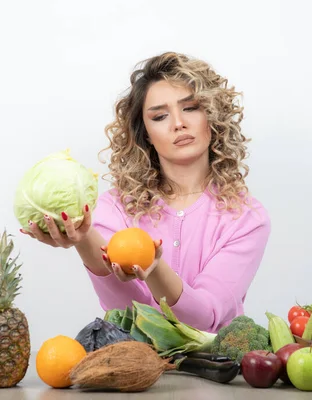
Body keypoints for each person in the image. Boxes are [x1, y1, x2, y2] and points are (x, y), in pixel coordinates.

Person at [21, 51, 271, 333]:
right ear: (146, 134)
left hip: (212, 372)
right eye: (160, 116)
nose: (178, 123)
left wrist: (154, 267)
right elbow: (126, 315)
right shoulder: (114, 207)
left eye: (190, 108)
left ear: (212, 117)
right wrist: (83, 239)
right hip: (136, 370)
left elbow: (205, 318)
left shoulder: (245, 218)